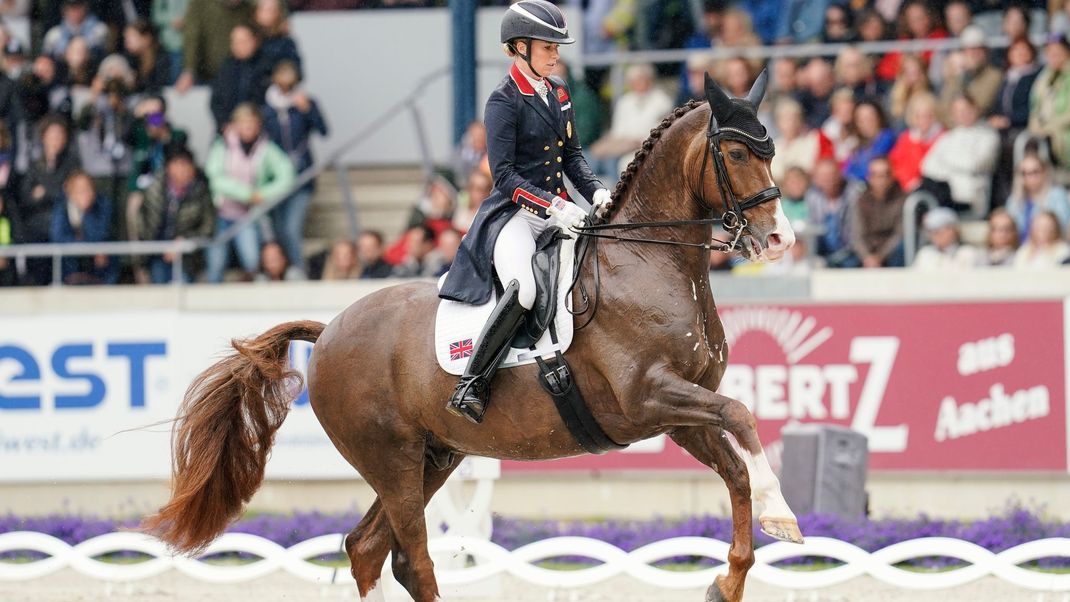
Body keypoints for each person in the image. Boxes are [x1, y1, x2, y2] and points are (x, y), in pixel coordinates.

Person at [438, 1, 611, 423]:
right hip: (514, 215)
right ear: (519, 48)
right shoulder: (503, 101)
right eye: (548, 47)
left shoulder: (561, 94)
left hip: (558, 210)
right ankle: (472, 383)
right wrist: (554, 206)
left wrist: (599, 193)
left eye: (557, 47)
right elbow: (505, 177)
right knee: (526, 289)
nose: (556, 55)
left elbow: (573, 159)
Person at [204, 103, 295, 283]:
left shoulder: (266, 148)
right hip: (221, 213)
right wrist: (246, 194)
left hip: (247, 214)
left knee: (252, 259)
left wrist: (263, 193)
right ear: (236, 124)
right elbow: (215, 177)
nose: (249, 128)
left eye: (253, 124)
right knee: (216, 261)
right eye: (244, 123)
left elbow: (287, 175)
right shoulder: (222, 146)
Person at [261, 59, 327, 274]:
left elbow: (324, 130)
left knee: (291, 228)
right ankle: (283, 272)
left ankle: (298, 271)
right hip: (278, 178)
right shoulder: (266, 107)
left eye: (290, 74)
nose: (286, 79)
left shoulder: (304, 101)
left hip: (302, 175)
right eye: (282, 73)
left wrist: (308, 110)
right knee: (279, 229)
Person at [134, 145, 215, 283]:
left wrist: (184, 241)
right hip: (157, 253)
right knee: (159, 295)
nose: (182, 170)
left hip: (187, 257)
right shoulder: (154, 190)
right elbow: (142, 221)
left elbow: (208, 228)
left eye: (186, 165)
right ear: (168, 167)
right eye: (178, 164)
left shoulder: (202, 192)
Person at [17, 115, 80, 284]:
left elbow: (69, 192)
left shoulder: (72, 164)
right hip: (37, 227)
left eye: (60, 135)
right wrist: (54, 190)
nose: (56, 140)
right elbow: (26, 197)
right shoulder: (34, 165)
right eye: (52, 135)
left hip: (62, 224)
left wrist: (44, 191)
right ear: (43, 137)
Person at [588, 62, 673, 180]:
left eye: (639, 80)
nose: (635, 84)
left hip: (645, 149)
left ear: (649, 80)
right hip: (620, 145)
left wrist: (628, 144)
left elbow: (657, 135)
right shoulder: (625, 101)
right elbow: (616, 133)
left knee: (618, 163)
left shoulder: (662, 101)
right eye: (632, 81)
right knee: (588, 158)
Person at [919, 94, 1000, 215]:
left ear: (975, 109)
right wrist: (954, 170)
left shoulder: (989, 136)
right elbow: (926, 166)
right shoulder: (948, 137)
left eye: (966, 110)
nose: (963, 114)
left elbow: (974, 164)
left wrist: (945, 161)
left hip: (969, 197)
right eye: (958, 111)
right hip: (944, 191)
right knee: (918, 196)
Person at [50, 170, 117, 284]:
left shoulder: (103, 204)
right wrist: (84, 246)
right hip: (71, 266)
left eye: (88, 188)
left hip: (99, 268)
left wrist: (87, 212)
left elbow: (100, 235)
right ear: (69, 191)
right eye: (80, 190)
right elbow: (58, 237)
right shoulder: (62, 207)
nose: (85, 193)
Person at [175, 0, 254, 93]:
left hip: (238, 71)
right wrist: (189, 70)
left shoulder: (247, 7)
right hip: (206, 70)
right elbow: (192, 37)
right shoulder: (200, 4)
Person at [938, 25, 1002, 124]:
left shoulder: (994, 75)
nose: (973, 54)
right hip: (954, 127)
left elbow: (978, 107)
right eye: (969, 49)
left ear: (986, 52)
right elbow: (943, 106)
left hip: (980, 127)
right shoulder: (959, 74)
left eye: (978, 49)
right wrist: (957, 75)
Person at [210, 24, 268, 133]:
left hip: (260, 129)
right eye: (236, 42)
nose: (240, 46)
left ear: (255, 40)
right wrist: (225, 124)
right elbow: (216, 102)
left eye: (244, 41)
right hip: (228, 129)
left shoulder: (267, 67)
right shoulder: (225, 68)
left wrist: (251, 124)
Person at [848, 157, 905, 268]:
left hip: (891, 253)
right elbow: (857, 235)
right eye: (875, 175)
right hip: (866, 253)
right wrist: (867, 257)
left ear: (891, 176)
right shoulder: (861, 201)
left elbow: (899, 235)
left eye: (884, 175)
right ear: (869, 177)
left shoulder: (902, 200)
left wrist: (880, 256)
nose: (880, 180)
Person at [1005, 153, 1070, 241]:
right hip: (1020, 250)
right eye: (1024, 173)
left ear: (1044, 172)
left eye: (1034, 172)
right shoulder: (1013, 200)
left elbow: (1062, 227)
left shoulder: (1057, 196)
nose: (1029, 177)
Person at [1029, 32, 1070, 172]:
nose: (1054, 56)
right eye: (1050, 53)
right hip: (1043, 129)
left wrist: (1050, 126)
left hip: (1063, 130)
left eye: (1058, 52)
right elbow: (1035, 107)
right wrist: (1036, 125)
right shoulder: (1043, 77)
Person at [806, 157, 857, 267]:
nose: (829, 179)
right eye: (824, 176)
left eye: (832, 174)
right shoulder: (812, 197)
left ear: (840, 175)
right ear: (816, 179)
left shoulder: (854, 194)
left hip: (851, 252)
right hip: (822, 252)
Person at [888, 92, 942, 192]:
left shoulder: (943, 138)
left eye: (927, 116)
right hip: (905, 188)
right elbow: (895, 165)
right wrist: (907, 182)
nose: (923, 120)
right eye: (918, 116)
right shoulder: (906, 138)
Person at [842, 99, 895, 183]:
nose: (867, 123)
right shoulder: (858, 146)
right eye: (861, 120)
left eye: (870, 118)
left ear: (879, 118)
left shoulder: (887, 138)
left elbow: (868, 170)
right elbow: (846, 172)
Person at [913, 207, 980, 268]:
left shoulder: (968, 253)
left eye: (940, 230)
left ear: (954, 230)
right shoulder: (925, 254)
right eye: (932, 231)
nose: (936, 235)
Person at [42, 0, 109, 60]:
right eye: (71, 7)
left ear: (86, 7)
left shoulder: (99, 30)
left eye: (78, 6)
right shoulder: (53, 35)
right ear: (63, 9)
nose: (75, 11)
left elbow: (104, 56)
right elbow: (47, 60)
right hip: (62, 71)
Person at [123, 19, 172, 94]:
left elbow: (158, 88)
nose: (127, 41)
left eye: (131, 36)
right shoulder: (132, 60)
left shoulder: (162, 59)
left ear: (146, 38)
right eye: (125, 37)